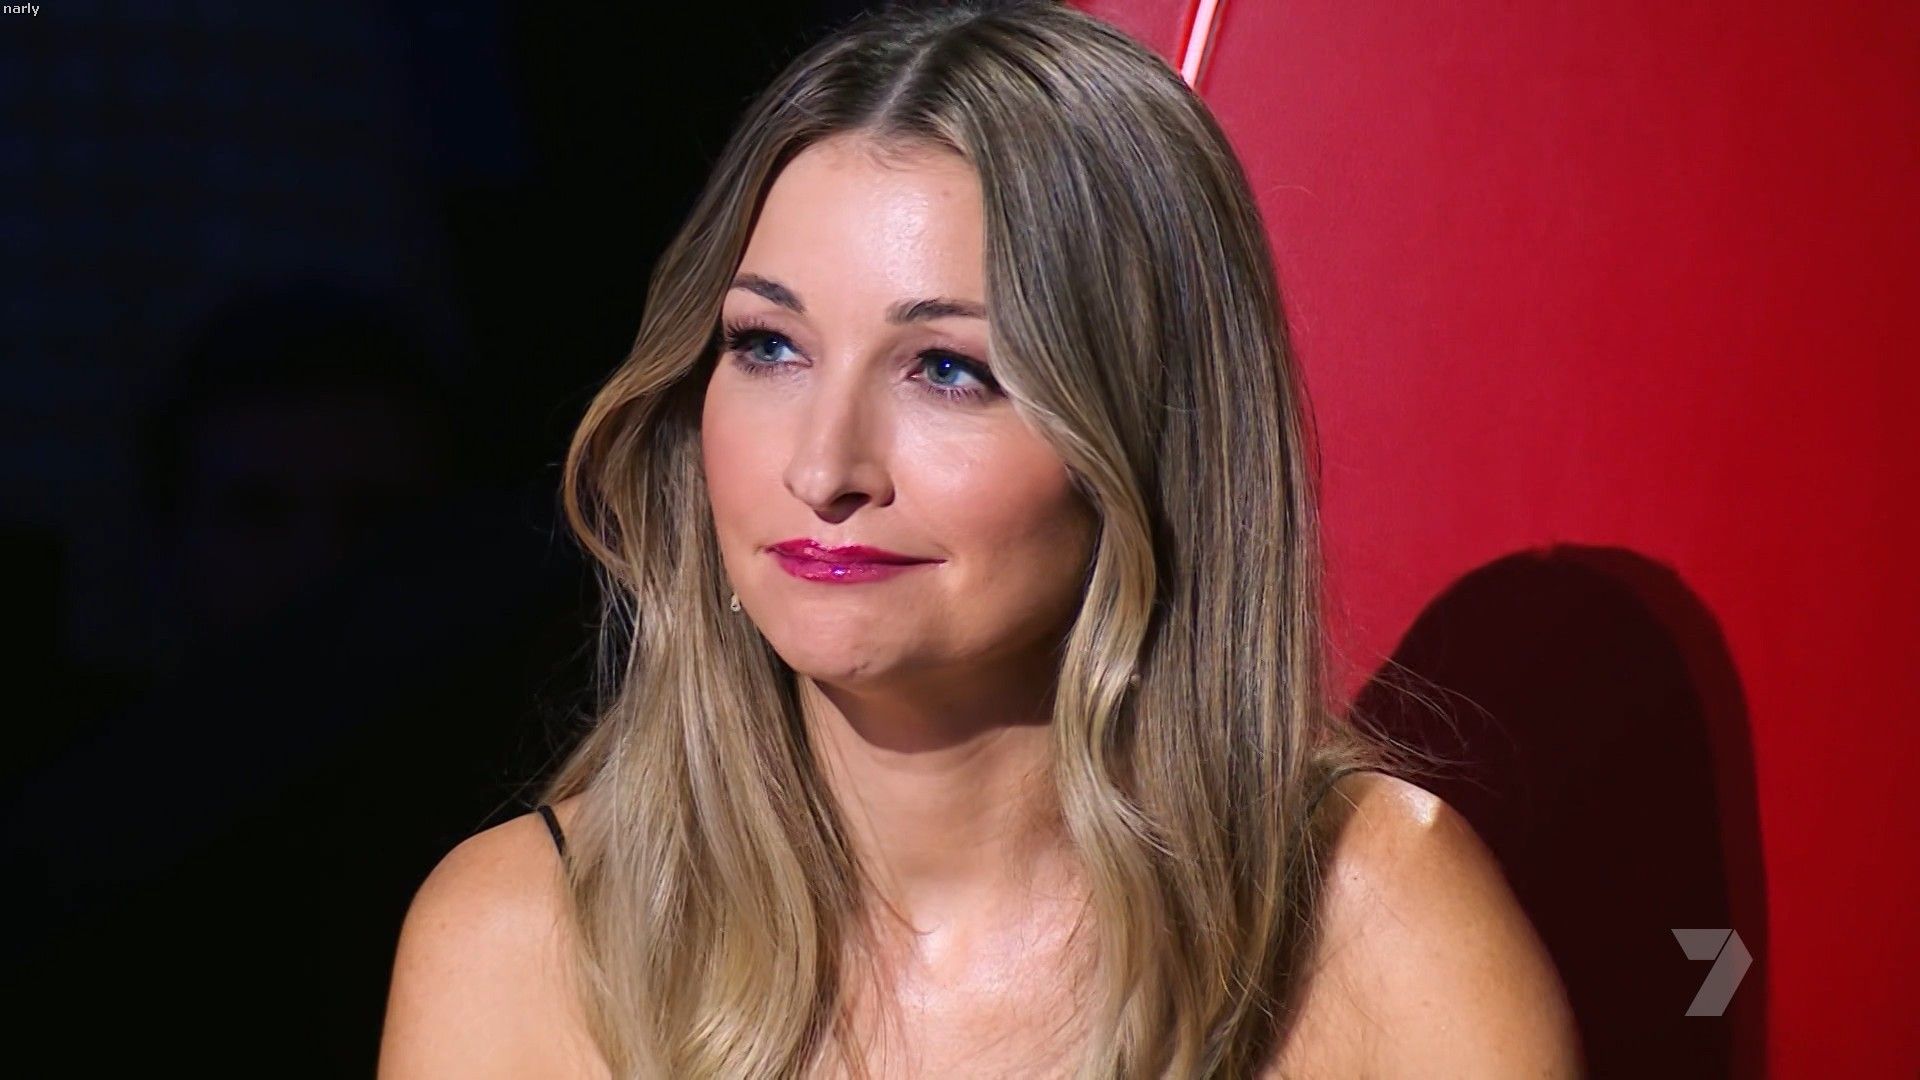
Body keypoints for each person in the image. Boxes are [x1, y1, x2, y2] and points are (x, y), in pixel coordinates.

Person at [377, 2, 1582, 1076]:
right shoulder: (518, 935)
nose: (823, 468)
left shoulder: (1371, 925)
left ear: (1147, 430)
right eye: (769, 347)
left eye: (948, 369)